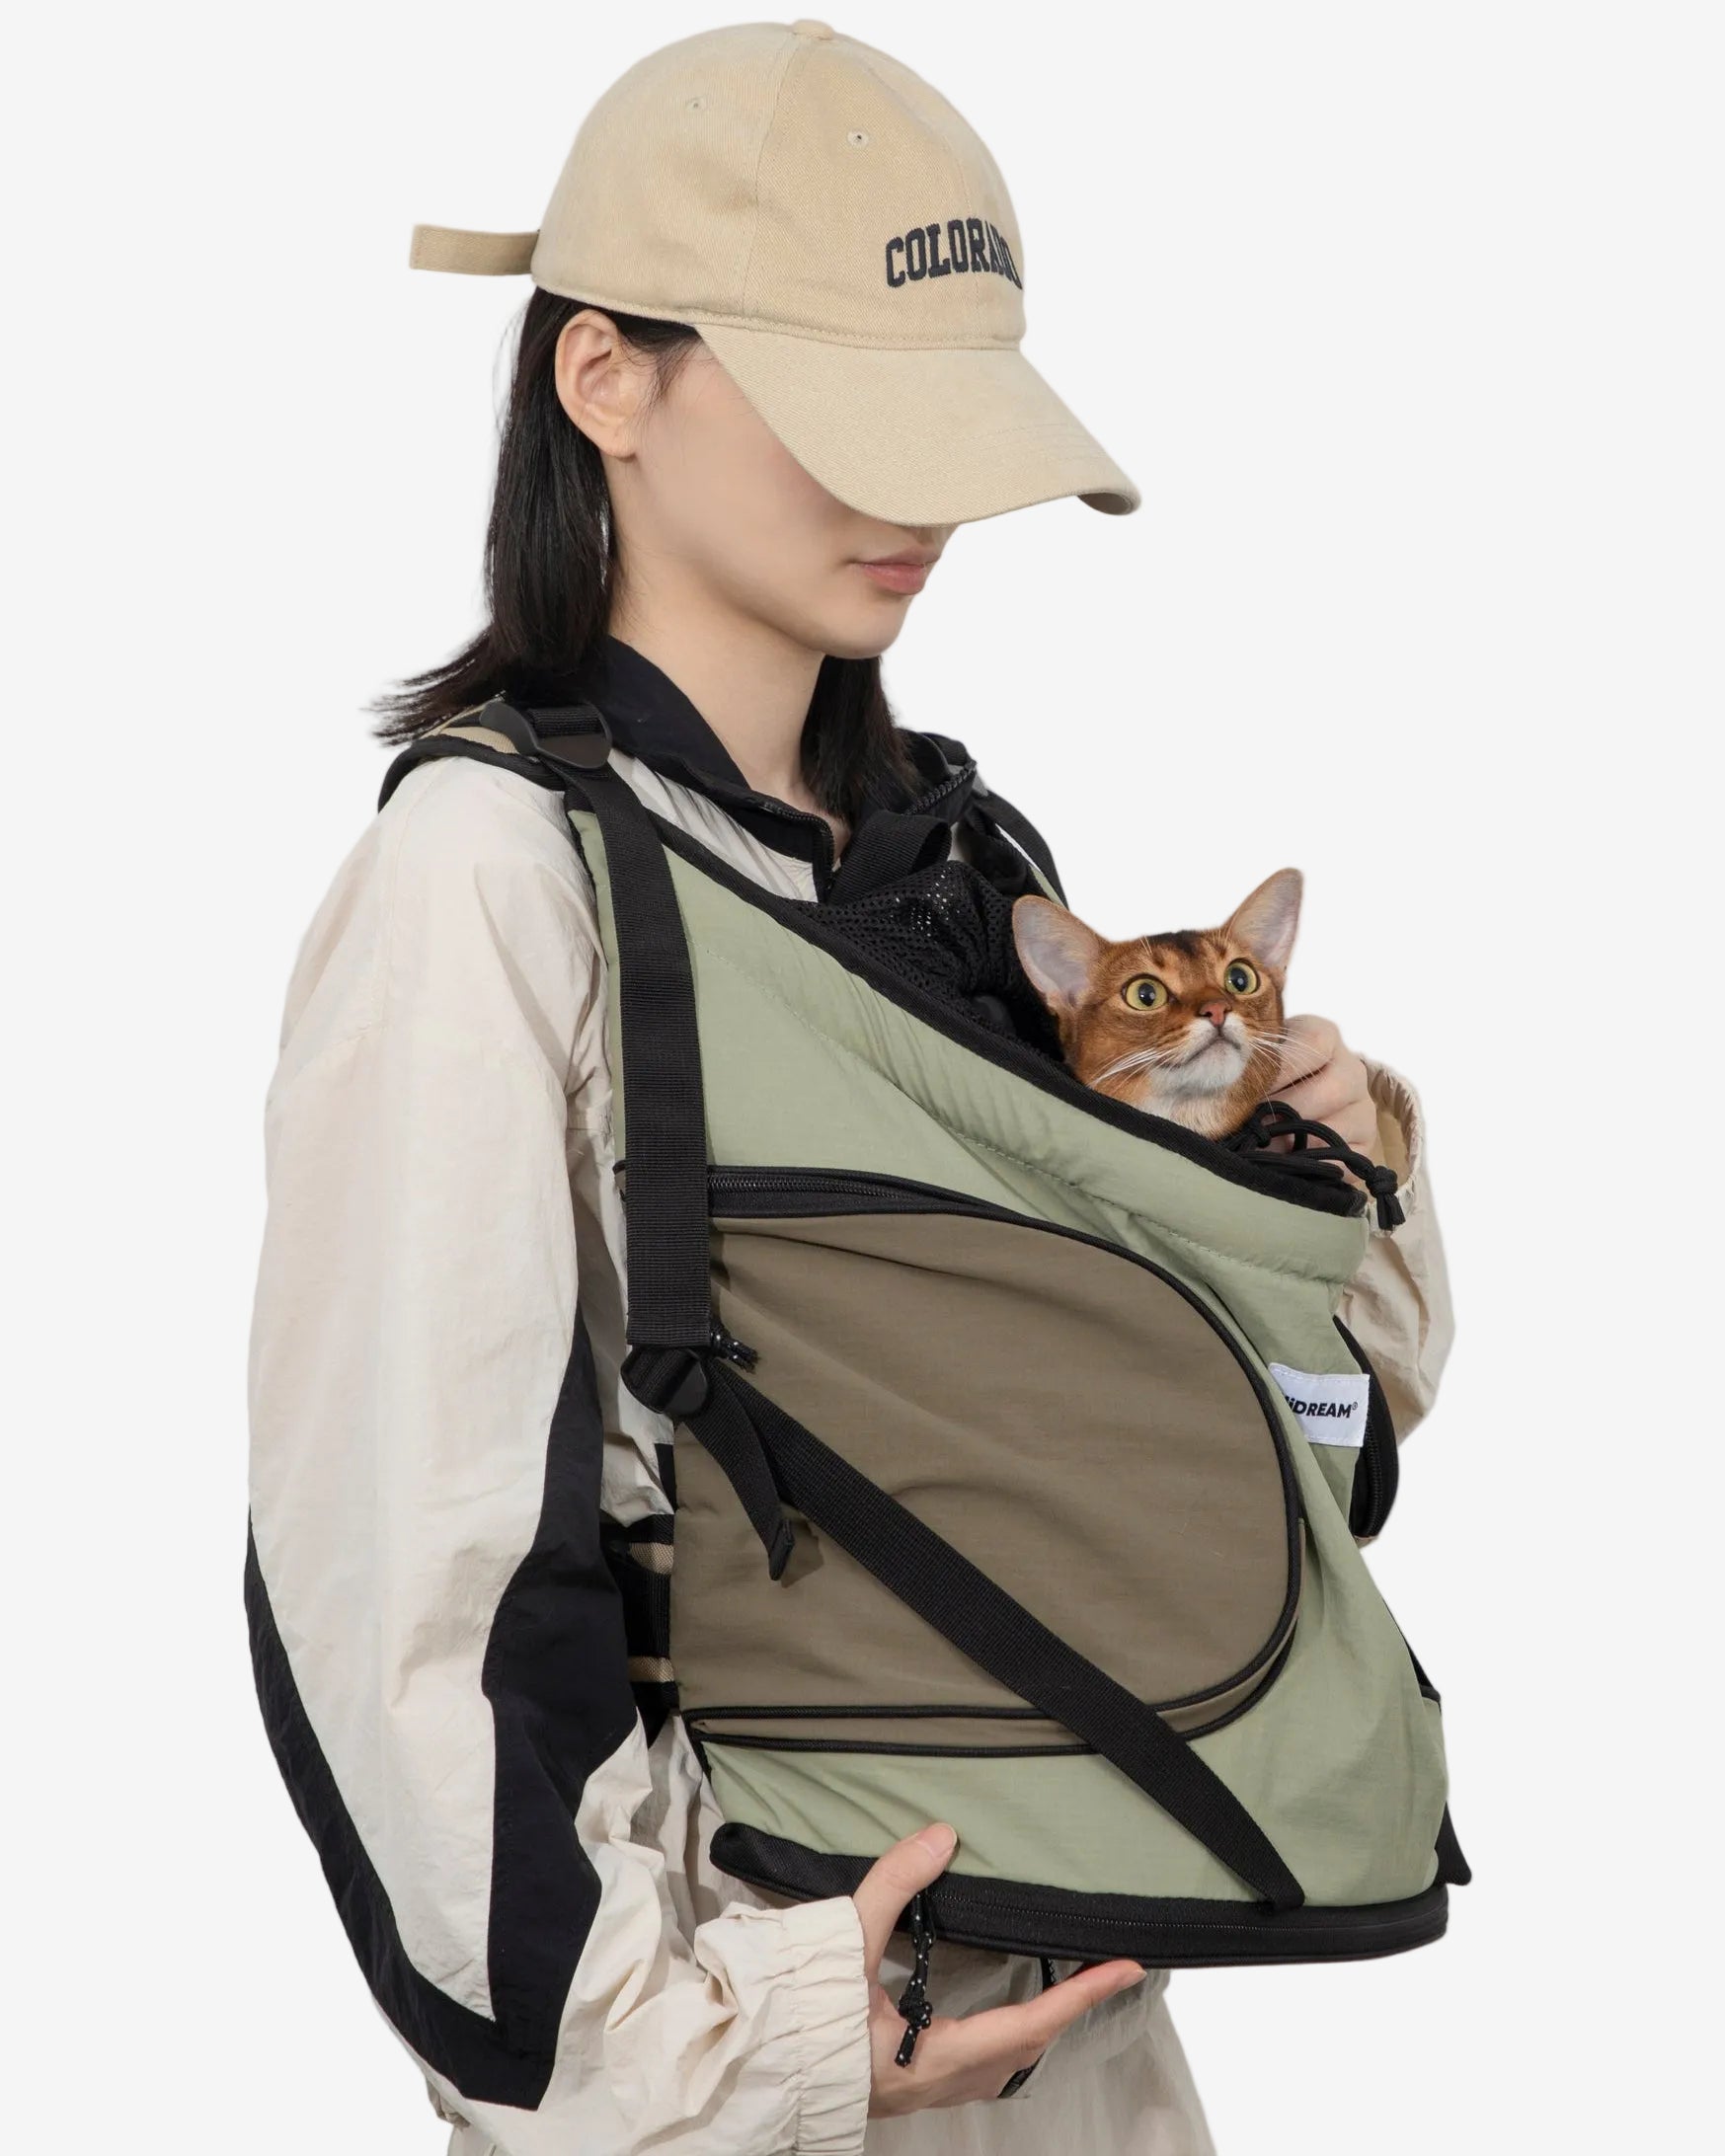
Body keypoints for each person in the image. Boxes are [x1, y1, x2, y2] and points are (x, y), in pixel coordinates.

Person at [245, 21, 1453, 2153]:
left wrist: (1327, 1194)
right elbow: (400, 1595)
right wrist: (729, 2055)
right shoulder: (488, 882)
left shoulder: (974, 870)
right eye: (842, 415)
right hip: (772, 2037)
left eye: (947, 430)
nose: (919, 504)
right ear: (599, 379)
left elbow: (1213, 1476)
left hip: (1081, 1996)